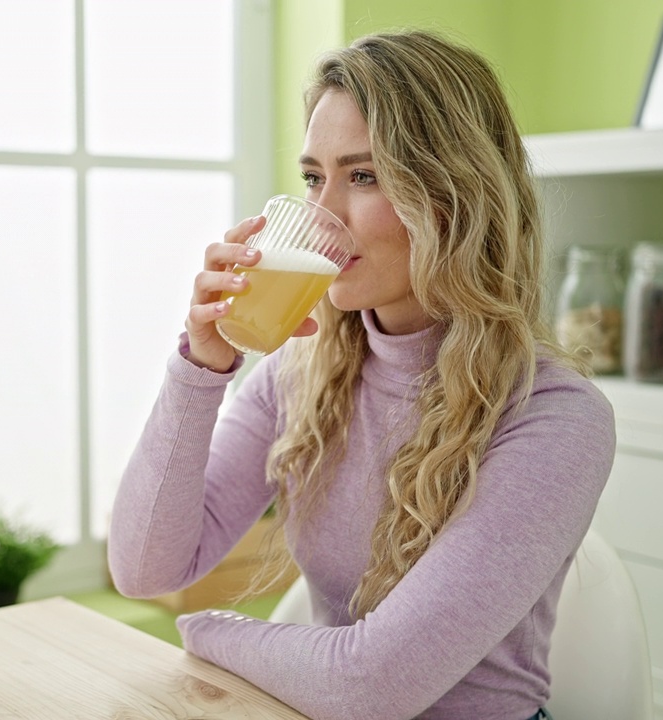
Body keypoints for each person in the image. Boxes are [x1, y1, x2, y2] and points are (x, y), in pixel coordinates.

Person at [107, 29, 615, 720]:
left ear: (452, 196)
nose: (323, 214)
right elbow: (145, 569)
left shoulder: (552, 415)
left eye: (364, 176)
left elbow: (368, 686)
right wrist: (201, 363)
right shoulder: (303, 367)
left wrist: (207, 631)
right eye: (315, 177)